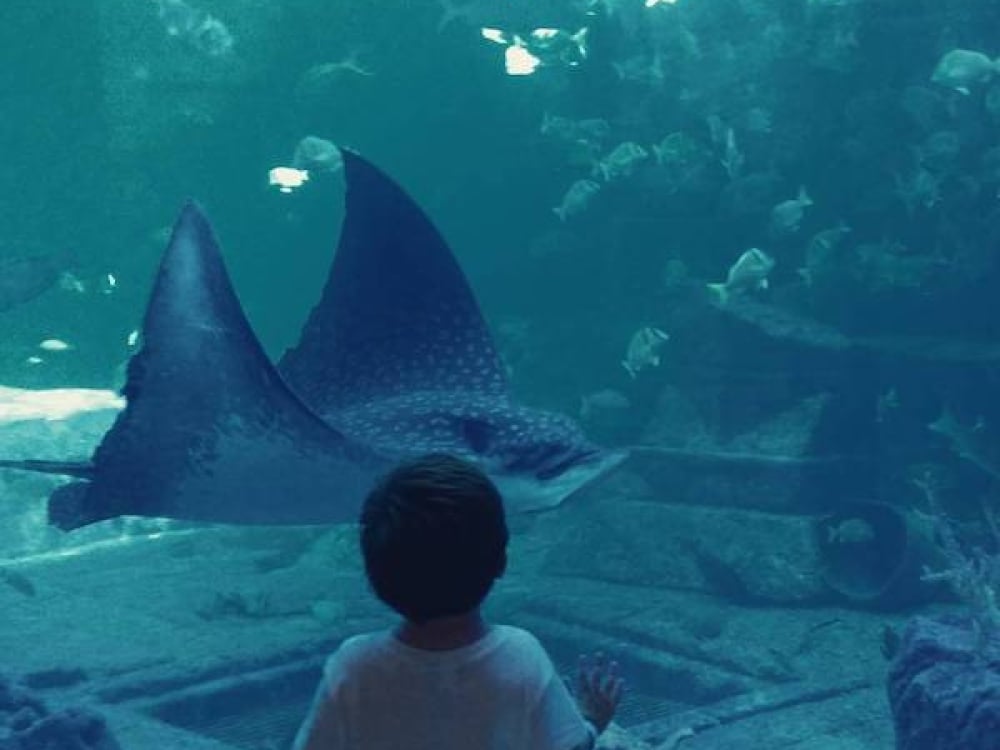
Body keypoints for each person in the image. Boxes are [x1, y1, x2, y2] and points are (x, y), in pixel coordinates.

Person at [293, 453, 624, 750]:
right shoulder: (521, 657)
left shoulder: (353, 666)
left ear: (375, 574)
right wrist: (593, 720)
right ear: (500, 561)